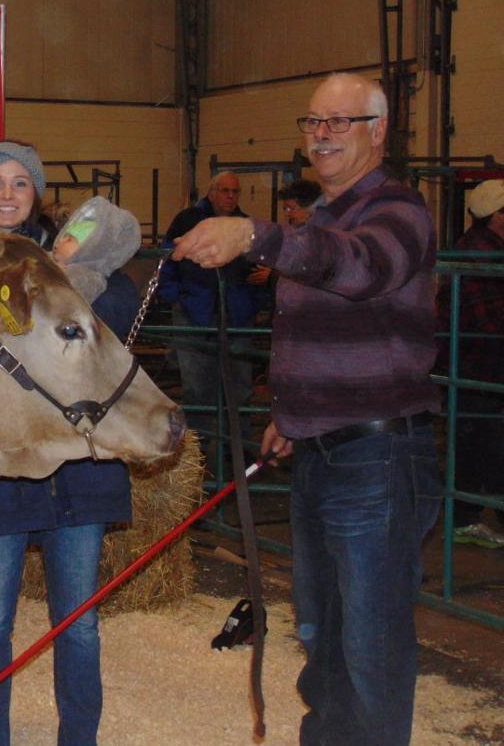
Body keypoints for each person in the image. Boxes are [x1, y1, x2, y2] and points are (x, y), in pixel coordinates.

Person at [172, 72, 441, 746]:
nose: (321, 135)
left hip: (376, 457)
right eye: (313, 122)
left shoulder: (399, 212)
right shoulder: (322, 219)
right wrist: (289, 414)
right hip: (320, 451)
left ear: (379, 131)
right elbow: (314, 330)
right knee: (321, 633)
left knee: (370, 645)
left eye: (339, 122)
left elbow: (360, 269)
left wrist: (255, 236)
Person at [0, 142, 137, 746]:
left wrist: (68, 279)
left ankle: (80, 738)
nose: (6, 194)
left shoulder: (75, 253)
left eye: (20, 183)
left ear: (37, 194)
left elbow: (124, 312)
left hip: (78, 465)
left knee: (78, 624)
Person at [157, 171, 266, 437]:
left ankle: (237, 447)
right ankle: (201, 451)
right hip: (195, 313)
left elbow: (259, 269)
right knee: (197, 387)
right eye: (225, 191)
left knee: (239, 386)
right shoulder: (187, 221)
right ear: (212, 191)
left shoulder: (245, 227)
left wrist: (255, 303)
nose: (230, 197)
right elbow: (166, 260)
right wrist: (176, 296)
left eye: (235, 192)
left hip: (236, 316)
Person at [437, 178, 504, 548]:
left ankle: (466, 515)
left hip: (480, 365)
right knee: (481, 442)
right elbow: (491, 320)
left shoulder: (483, 249)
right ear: (496, 217)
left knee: (478, 443)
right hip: (475, 366)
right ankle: (464, 516)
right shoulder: (478, 255)